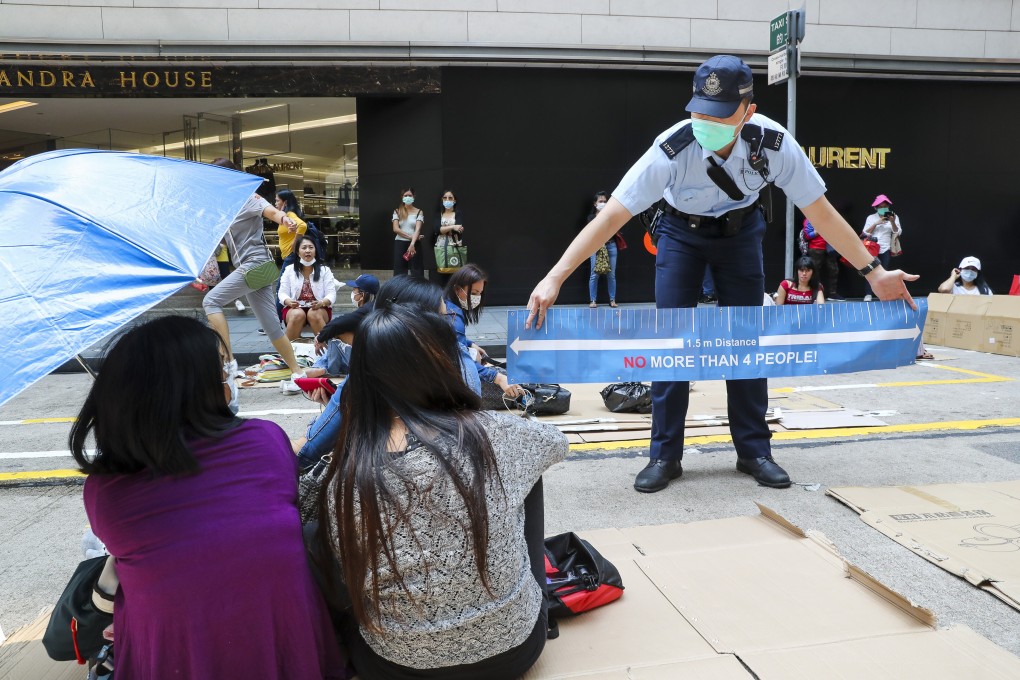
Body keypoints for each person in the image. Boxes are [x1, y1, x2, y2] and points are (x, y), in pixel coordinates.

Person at [526, 54, 918, 494]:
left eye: (716, 115)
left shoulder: (774, 144)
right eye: (697, 111)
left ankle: (754, 451)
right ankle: (664, 455)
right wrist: (555, 276)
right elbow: (610, 218)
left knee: (745, 339)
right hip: (680, 233)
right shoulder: (671, 149)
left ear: (748, 111)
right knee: (672, 340)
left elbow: (821, 214)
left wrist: (873, 272)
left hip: (741, 234)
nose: (703, 122)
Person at [69, 316, 346, 679]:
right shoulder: (264, 440)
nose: (228, 374)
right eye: (220, 368)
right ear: (201, 386)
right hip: (290, 650)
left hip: (175, 659)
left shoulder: (105, 491)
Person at [314, 304, 567, 679]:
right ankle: (529, 592)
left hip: (396, 664)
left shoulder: (345, 469)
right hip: (513, 648)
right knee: (526, 468)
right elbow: (555, 443)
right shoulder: (492, 433)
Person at [294, 275, 482, 469]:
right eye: (444, 317)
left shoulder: (367, 371)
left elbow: (307, 453)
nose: (449, 326)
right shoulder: (461, 361)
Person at [202, 158, 308, 394]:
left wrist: (285, 219)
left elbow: (271, 211)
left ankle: (229, 362)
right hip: (257, 268)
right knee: (272, 327)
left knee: (211, 301)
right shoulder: (225, 208)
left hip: (255, 264)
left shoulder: (249, 197)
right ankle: (298, 375)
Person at [444, 264, 526, 399]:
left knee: (474, 354)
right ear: (458, 289)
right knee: (474, 359)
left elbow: (449, 338)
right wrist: (498, 378)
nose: (477, 298)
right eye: (473, 293)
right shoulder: (453, 316)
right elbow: (458, 360)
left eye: (480, 293)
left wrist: (470, 344)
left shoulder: (448, 305)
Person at [306, 273, 380, 378]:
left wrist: (320, 337)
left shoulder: (367, 310)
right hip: (374, 359)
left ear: (362, 295)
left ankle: (323, 368)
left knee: (337, 333)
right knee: (338, 332)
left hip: (369, 364)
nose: (352, 293)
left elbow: (337, 324)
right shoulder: (377, 306)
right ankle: (323, 367)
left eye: (354, 290)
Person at [279, 234, 337, 341]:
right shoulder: (289, 270)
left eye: (311, 247)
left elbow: (331, 294)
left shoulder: (325, 270)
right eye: (304, 247)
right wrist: (289, 302)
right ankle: (289, 353)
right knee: (297, 314)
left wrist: (322, 303)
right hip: (294, 308)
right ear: (297, 252)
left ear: (315, 251)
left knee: (313, 313)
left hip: (319, 308)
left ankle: (326, 352)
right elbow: (282, 293)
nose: (308, 251)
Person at [861, 194, 902, 301]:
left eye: (885, 206)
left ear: (888, 207)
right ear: (876, 208)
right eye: (880, 207)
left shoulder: (894, 216)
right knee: (870, 271)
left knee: (884, 272)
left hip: (885, 247)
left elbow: (897, 232)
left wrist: (892, 221)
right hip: (872, 248)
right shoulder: (871, 217)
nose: (882, 209)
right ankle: (868, 294)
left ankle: (882, 294)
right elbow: (865, 232)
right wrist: (876, 223)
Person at [587, 191, 620, 308]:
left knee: (611, 275)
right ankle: (592, 300)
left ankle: (612, 300)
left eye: (605, 201)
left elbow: (615, 230)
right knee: (594, 274)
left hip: (611, 246)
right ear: (595, 204)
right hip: (596, 247)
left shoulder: (610, 216)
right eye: (601, 201)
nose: (603, 203)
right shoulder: (591, 218)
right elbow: (594, 232)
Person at [802, 219, 842, 300]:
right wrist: (818, 231)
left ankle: (832, 293)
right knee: (813, 271)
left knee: (834, 270)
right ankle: (813, 293)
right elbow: (807, 236)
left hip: (830, 248)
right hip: (816, 248)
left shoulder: (829, 218)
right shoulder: (809, 219)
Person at [433, 189, 465, 287]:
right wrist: (452, 226)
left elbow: (458, 229)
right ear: (442, 200)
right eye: (445, 198)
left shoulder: (458, 213)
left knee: (455, 275)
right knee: (442, 273)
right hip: (441, 246)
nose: (447, 200)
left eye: (450, 198)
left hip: (455, 246)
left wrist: (445, 229)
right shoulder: (439, 214)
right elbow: (437, 230)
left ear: (454, 200)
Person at [392, 187, 425, 278]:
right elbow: (396, 229)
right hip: (400, 243)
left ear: (414, 197)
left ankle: (418, 290)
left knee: (417, 269)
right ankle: (399, 290)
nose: (407, 197)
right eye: (405, 195)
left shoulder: (419, 212)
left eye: (409, 195)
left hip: (415, 244)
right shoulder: (397, 211)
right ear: (402, 197)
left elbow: (418, 229)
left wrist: (412, 243)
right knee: (399, 270)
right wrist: (412, 237)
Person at [276, 188, 309, 269]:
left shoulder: (290, 214)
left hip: (291, 255)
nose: (275, 203)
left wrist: (295, 243)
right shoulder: (285, 216)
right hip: (290, 255)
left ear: (285, 202)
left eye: (277, 201)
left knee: (282, 281)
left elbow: (302, 225)